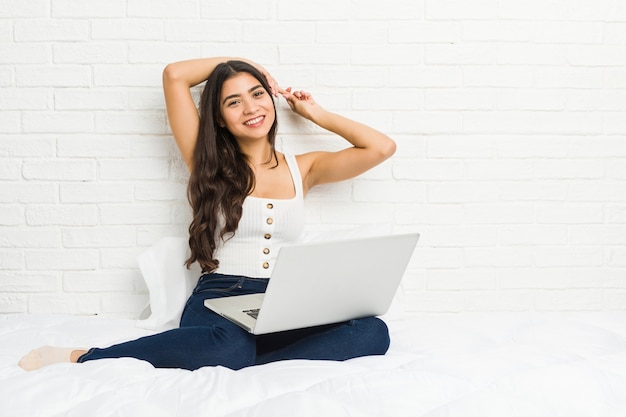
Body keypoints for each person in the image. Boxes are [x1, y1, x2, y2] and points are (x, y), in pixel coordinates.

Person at [18, 57, 396, 371]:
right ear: (219, 118)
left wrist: (316, 113)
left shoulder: (305, 167)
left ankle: (247, 359)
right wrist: (248, 64)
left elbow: (381, 147)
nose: (250, 108)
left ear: (271, 100)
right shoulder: (207, 161)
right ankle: (87, 356)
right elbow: (174, 76)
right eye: (233, 102)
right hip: (220, 298)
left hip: (283, 300)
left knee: (372, 332)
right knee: (225, 347)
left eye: (257, 94)